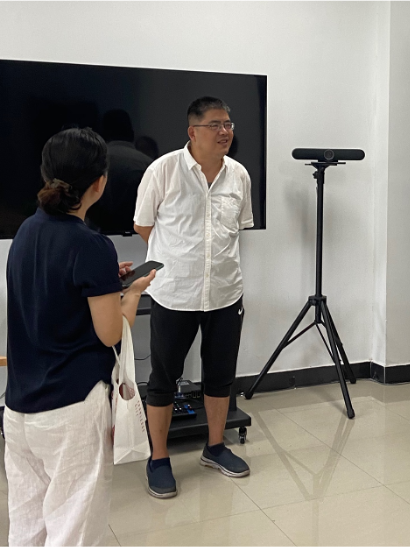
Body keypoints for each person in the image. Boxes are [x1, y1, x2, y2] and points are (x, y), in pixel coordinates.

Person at [4, 128, 156, 546]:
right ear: (100, 183)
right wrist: (132, 294)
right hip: (71, 410)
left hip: (19, 408)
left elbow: (53, 293)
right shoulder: (91, 244)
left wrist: (105, 282)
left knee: (27, 527)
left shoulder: (26, 231)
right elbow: (110, 333)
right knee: (72, 531)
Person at [134, 96, 254, 498]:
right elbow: (143, 226)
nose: (225, 132)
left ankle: (215, 447)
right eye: (215, 125)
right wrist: (177, 259)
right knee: (163, 379)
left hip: (225, 292)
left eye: (228, 124)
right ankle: (159, 458)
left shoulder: (239, 175)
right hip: (174, 293)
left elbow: (238, 228)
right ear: (193, 131)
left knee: (221, 376)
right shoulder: (163, 170)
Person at [86, 109, 153, 234]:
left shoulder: (93, 162)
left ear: (102, 134)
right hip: (140, 238)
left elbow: (87, 205)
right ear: (132, 133)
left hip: (101, 236)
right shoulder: (148, 164)